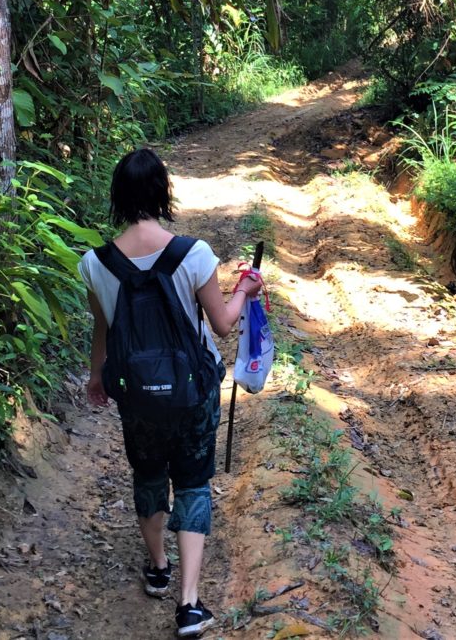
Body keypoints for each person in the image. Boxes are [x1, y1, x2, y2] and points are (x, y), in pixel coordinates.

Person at [80, 147, 262, 638]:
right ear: (164, 193)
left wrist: (97, 377)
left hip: (135, 394)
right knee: (193, 483)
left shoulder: (95, 264)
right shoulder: (194, 254)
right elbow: (223, 326)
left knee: (148, 475)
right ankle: (188, 603)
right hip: (192, 391)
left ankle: (157, 567)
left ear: (116, 197)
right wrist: (246, 289)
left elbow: (103, 331)